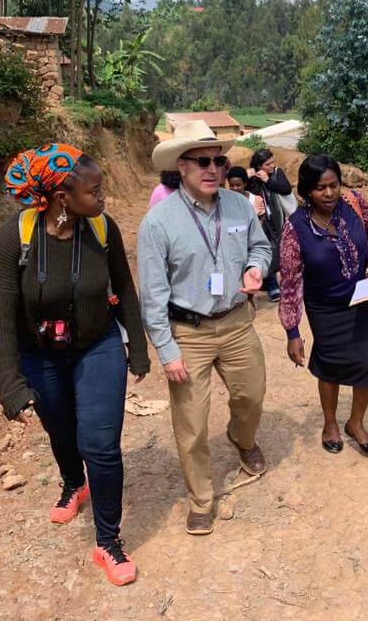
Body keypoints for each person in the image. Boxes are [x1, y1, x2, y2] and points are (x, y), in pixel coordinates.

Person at [0, 143, 149, 586]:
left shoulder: (101, 229)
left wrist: (138, 345)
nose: (103, 198)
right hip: (40, 354)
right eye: (95, 191)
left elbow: (125, 288)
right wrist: (10, 386)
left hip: (98, 346)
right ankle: (74, 483)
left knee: (100, 441)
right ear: (62, 196)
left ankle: (108, 541)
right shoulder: (13, 237)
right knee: (60, 429)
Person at [138, 120, 271, 536]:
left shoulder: (238, 205)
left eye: (219, 160)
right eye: (202, 161)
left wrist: (255, 267)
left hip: (236, 321)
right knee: (192, 423)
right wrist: (167, 349)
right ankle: (201, 497)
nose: (213, 168)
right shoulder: (158, 223)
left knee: (252, 396)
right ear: (182, 166)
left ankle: (241, 438)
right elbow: (152, 295)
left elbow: (262, 246)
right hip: (188, 332)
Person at [279, 153, 368, 457]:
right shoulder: (295, 228)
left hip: (362, 300)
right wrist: (292, 332)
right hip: (325, 308)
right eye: (319, 188)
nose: (328, 194)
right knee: (330, 366)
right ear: (306, 191)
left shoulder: (354, 203)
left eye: (333, 185)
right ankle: (330, 424)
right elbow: (289, 284)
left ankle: (356, 423)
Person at [248, 148, 293, 301]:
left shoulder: (277, 173)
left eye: (272, 162)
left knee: (283, 249)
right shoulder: (252, 177)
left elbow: (286, 189)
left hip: (279, 218)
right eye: (268, 164)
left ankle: (286, 283)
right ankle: (272, 285)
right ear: (259, 166)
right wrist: (250, 177)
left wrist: (268, 180)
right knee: (266, 250)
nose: (272, 165)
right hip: (261, 220)